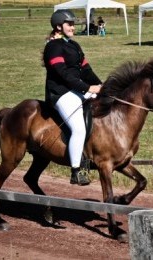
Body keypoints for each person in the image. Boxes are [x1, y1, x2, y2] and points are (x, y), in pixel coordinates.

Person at [43, 9, 102, 185]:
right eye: (70, 24)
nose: (73, 28)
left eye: (74, 25)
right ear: (59, 26)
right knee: (79, 129)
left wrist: (103, 86)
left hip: (77, 90)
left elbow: (86, 70)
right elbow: (62, 74)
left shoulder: (74, 45)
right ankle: (76, 170)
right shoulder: (53, 47)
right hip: (60, 93)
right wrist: (87, 88)